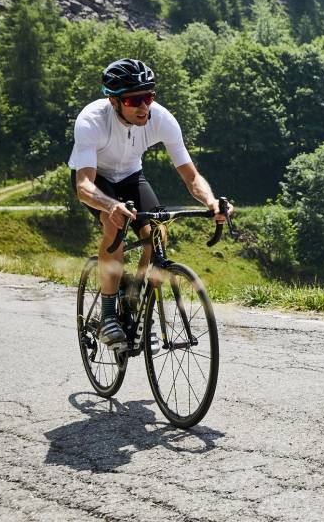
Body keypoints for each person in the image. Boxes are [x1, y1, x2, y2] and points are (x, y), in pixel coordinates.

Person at [69, 58, 230, 352]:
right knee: (114, 224)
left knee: (157, 231)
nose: (144, 106)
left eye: (149, 96)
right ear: (114, 101)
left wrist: (210, 201)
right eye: (134, 100)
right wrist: (111, 205)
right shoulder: (92, 120)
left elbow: (191, 177)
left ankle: (134, 296)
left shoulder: (161, 119)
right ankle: (107, 316)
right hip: (97, 181)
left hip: (131, 175)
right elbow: (83, 186)